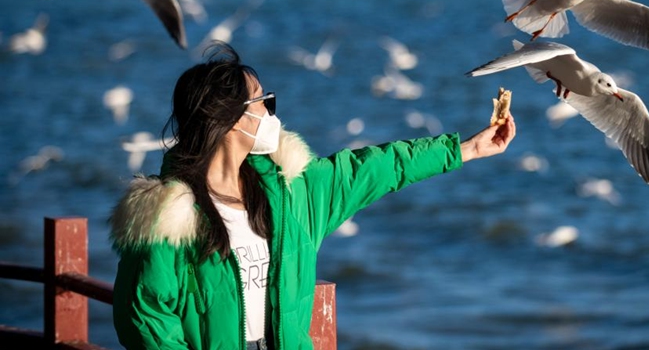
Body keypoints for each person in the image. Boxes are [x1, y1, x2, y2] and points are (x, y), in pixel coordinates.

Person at [110, 42, 516, 350]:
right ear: (230, 119)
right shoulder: (169, 217)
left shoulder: (292, 191)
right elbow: (145, 319)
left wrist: (466, 149)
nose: (273, 113)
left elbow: (375, 168)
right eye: (264, 102)